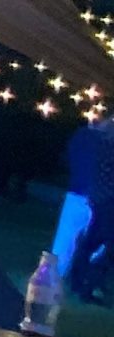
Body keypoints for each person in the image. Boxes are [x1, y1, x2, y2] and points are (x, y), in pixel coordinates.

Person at [51, 113, 107, 274]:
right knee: (98, 242)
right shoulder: (105, 142)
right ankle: (86, 274)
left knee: (65, 239)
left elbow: (67, 158)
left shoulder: (80, 136)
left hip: (76, 192)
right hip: (99, 199)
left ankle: (56, 273)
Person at [63, 116, 112, 303]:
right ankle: (90, 282)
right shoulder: (108, 146)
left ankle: (80, 280)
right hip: (108, 199)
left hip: (100, 198)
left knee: (93, 240)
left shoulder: (102, 143)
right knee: (105, 244)